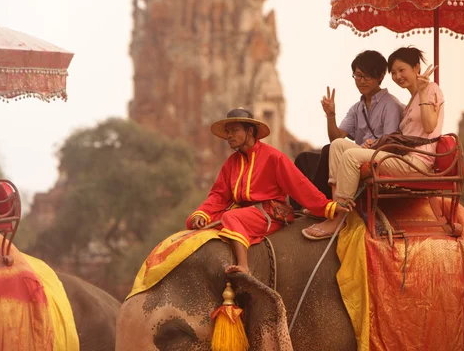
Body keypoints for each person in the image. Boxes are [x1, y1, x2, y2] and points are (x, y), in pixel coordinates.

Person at [303, 47, 443, 240]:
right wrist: (331, 115)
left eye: (402, 70)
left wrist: (424, 91)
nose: (398, 76)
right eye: (394, 72)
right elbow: (338, 136)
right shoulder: (410, 102)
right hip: (402, 158)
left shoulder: (429, 90)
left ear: (417, 68)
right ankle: (336, 208)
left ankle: (339, 219)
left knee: (351, 156)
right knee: (336, 146)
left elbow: (429, 126)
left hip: (416, 163)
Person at [186, 108, 350, 273]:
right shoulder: (231, 163)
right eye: (228, 131)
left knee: (231, 217)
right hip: (244, 212)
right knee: (201, 222)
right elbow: (219, 195)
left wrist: (329, 206)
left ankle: (243, 267)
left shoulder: (273, 157)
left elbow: (299, 186)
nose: (229, 135)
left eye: (234, 131)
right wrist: (202, 213)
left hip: (268, 213)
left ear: (250, 131)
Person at [292, 50, 404, 208]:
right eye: (358, 75)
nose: (361, 81)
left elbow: (390, 142)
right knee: (304, 159)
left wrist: (373, 145)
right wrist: (331, 115)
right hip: (350, 154)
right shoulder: (357, 108)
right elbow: (337, 137)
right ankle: (297, 210)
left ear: (380, 76)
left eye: (367, 76)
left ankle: (321, 206)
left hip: (372, 157)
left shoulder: (391, 104)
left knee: (328, 150)